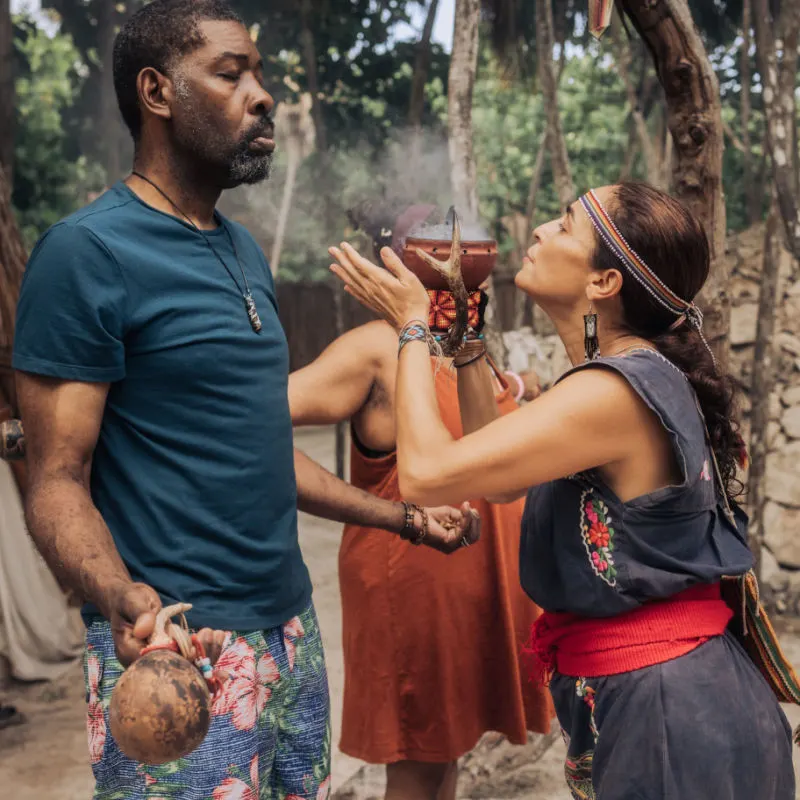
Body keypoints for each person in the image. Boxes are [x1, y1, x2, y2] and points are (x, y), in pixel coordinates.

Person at [11, 2, 478, 798]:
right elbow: (56, 476)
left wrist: (402, 518)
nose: (260, 94)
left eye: (258, 73)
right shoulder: (86, 254)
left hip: (291, 634)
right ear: (157, 92)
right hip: (178, 645)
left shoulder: (241, 250)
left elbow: (257, 451)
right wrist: (124, 598)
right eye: (231, 74)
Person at [328, 182, 797, 799]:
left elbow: (426, 474)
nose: (543, 228)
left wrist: (413, 326)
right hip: (657, 696)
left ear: (604, 283)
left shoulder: (614, 391)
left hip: (670, 708)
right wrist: (467, 336)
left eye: (566, 224)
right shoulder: (613, 379)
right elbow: (498, 483)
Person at [289, 206, 553, 800]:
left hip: (473, 580)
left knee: (448, 753)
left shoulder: (463, 344)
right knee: (417, 761)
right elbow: (254, 419)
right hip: (410, 580)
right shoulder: (377, 348)